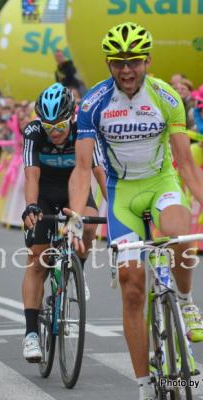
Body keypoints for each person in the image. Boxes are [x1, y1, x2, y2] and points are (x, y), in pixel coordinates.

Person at [68, 22, 203, 400]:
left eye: (134, 62)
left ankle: (187, 302)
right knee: (131, 286)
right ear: (109, 64)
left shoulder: (166, 97)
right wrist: (77, 216)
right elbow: (82, 169)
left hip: (162, 183)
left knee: (180, 236)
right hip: (122, 194)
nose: (126, 70)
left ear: (148, 60)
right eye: (118, 63)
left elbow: (186, 165)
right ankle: (145, 383)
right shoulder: (94, 103)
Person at [21, 83, 106, 363]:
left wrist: (115, 209)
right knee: (37, 260)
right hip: (45, 195)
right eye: (48, 127)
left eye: (58, 126)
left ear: (70, 117)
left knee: (90, 226)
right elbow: (31, 175)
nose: (54, 133)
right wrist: (31, 207)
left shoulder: (83, 130)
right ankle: (31, 333)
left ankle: (77, 268)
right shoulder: (33, 133)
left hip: (76, 192)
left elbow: (99, 173)